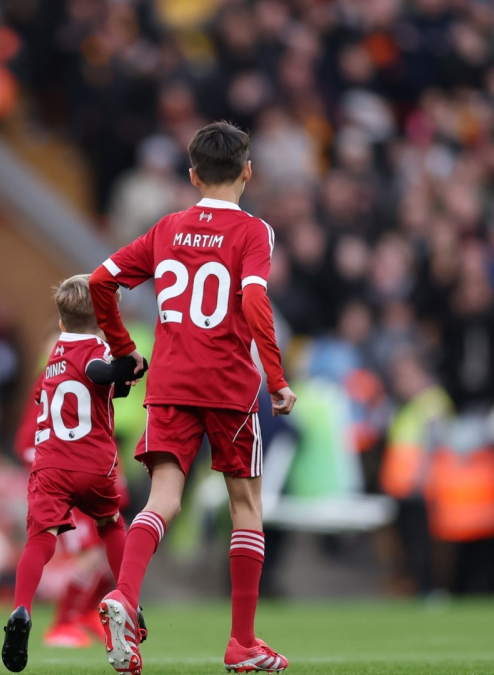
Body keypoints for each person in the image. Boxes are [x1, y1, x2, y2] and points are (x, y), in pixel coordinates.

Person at [89, 121, 296, 674]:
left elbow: (99, 282)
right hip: (227, 385)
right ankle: (242, 643)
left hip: (172, 384)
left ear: (192, 175)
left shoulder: (167, 229)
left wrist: (125, 348)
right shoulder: (255, 232)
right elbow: (254, 301)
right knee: (245, 506)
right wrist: (276, 379)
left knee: (162, 501)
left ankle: (125, 598)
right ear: (248, 171)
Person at [0, 275, 144, 673]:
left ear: (60, 324)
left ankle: (21, 609)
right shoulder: (98, 349)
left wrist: (120, 380)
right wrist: (127, 368)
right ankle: (128, 599)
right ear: (103, 319)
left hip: (51, 466)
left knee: (39, 540)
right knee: (112, 526)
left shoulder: (52, 360)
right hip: (92, 463)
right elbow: (98, 373)